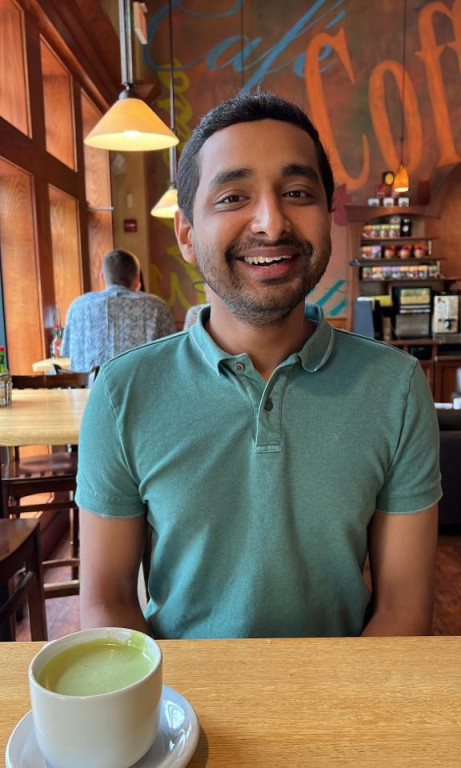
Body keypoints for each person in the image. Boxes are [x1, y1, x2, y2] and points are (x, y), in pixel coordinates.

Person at [78, 91, 441, 639]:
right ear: (186, 235)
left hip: (344, 688)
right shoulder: (122, 392)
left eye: (297, 193)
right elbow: (107, 604)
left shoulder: (397, 388)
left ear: (327, 218)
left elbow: (403, 611)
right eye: (232, 197)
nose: (271, 223)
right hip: (178, 691)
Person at [61, 249, 176, 371]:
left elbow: (67, 354)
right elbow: (173, 354)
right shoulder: (156, 306)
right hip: (140, 383)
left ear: (102, 276)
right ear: (137, 279)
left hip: (90, 383)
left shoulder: (78, 306)